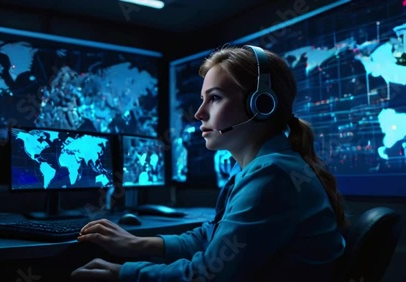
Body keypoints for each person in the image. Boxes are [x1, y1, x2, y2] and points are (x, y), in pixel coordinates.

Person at [70, 45, 348, 282]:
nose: (199, 113)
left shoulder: (273, 175)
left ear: (261, 104)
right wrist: (136, 243)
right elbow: (212, 238)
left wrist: (124, 273)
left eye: (214, 98)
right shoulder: (262, 168)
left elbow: (207, 274)